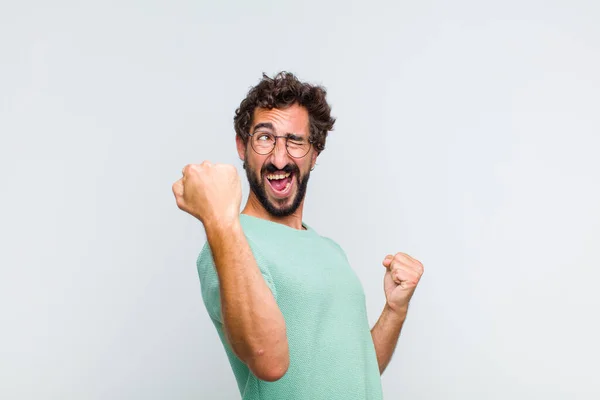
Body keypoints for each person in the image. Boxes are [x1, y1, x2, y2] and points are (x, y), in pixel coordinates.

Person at [172, 72, 424, 399]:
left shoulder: (330, 250)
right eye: (264, 137)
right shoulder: (228, 244)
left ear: (314, 153)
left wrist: (394, 310)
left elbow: (357, 374)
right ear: (242, 146)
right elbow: (269, 362)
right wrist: (220, 220)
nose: (279, 157)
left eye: (295, 140)